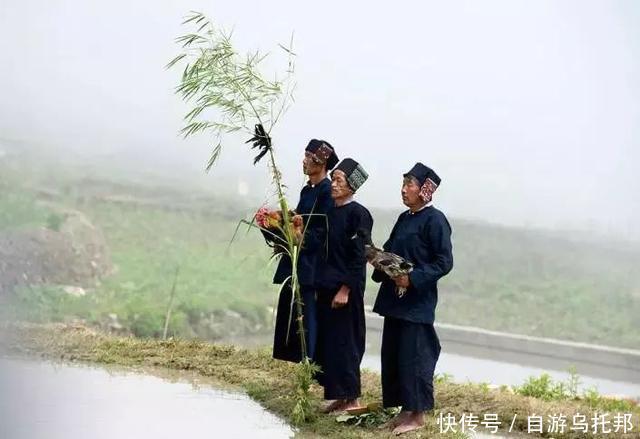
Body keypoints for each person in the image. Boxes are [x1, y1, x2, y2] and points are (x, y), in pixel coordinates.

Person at [372, 162, 453, 435]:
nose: (404, 189)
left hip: (417, 302)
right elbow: (392, 250)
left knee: (414, 357)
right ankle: (403, 410)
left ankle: (416, 415)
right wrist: (378, 260)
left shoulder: (436, 220)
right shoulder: (405, 218)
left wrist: (413, 278)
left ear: (425, 191)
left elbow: (444, 262)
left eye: (410, 184)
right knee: (394, 356)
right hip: (395, 300)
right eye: (403, 183)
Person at [270, 139, 339, 363]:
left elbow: (322, 232)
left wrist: (301, 236)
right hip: (298, 261)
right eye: (306, 155)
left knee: (308, 317)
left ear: (321, 162)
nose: (305, 161)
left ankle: (309, 363)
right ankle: (294, 359)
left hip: (313, 266)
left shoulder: (327, 192)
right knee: (292, 312)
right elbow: (300, 219)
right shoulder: (306, 190)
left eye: (310, 157)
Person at [314, 158, 373, 413]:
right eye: (333, 179)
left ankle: (353, 398)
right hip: (326, 287)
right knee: (330, 344)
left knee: (346, 344)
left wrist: (346, 289)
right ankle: (339, 395)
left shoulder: (358, 214)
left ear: (352, 186)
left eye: (339, 180)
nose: (334, 185)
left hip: (345, 291)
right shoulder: (329, 211)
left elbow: (359, 255)